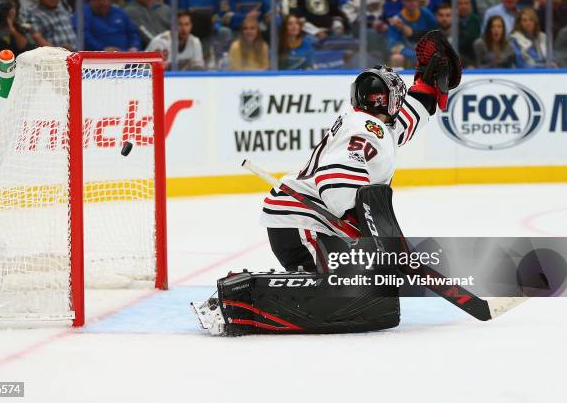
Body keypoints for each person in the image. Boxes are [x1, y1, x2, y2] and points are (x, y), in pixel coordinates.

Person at [192, 30, 462, 336]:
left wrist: (427, 89)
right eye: (396, 97)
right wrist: (365, 226)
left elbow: (405, 119)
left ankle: (266, 294)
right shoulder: (367, 129)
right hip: (302, 222)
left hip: (305, 220)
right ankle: (239, 301)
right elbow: (336, 185)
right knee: (359, 292)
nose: (400, 102)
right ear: (384, 101)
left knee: (376, 286)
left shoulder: (373, 123)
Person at [387, 0, 437, 68]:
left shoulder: (427, 15)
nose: (411, 2)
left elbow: (436, 34)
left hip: (425, 52)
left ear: (418, 0)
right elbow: (393, 45)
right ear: (403, 1)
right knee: (396, 58)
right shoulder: (396, 19)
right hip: (406, 54)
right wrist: (415, 55)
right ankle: (396, 79)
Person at [75, 0, 140, 51]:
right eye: (98, 0)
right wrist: (102, 49)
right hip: (98, 57)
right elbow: (84, 36)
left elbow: (132, 32)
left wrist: (134, 46)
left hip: (126, 54)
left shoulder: (120, 12)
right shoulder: (82, 15)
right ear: (90, 1)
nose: (101, 2)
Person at [457, 0, 481, 67]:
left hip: (472, 59)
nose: (463, 6)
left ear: (470, 5)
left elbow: (474, 41)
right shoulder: (451, 19)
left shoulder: (475, 20)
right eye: (460, 3)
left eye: (466, 3)